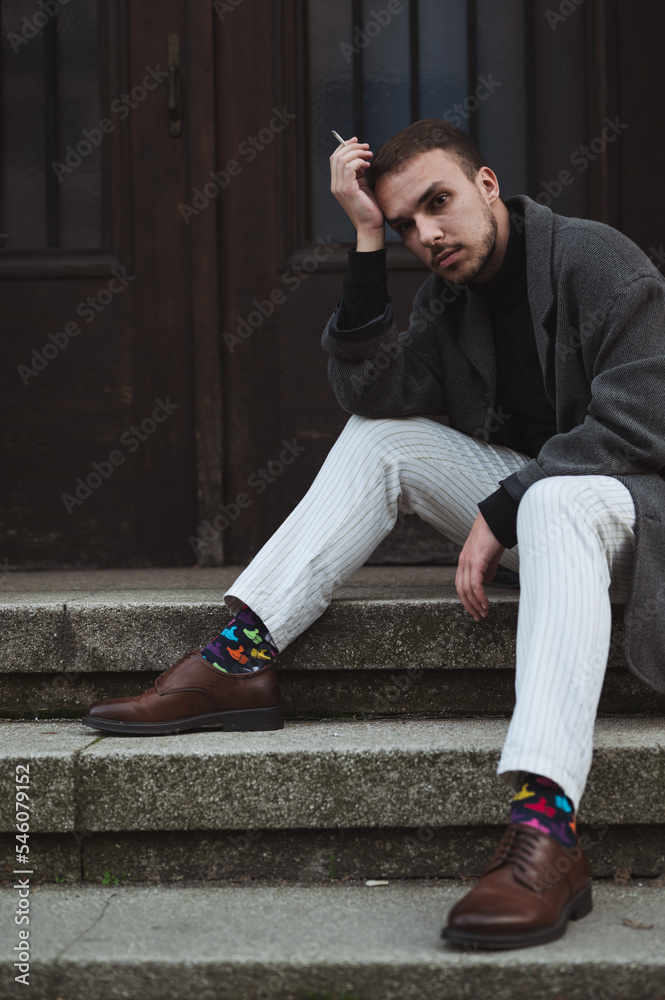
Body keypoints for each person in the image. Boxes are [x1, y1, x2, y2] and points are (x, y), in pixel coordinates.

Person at [83, 118, 665, 951]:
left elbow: (647, 417)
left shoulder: (592, 258)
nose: (426, 234)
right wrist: (362, 245)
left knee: (549, 501)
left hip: (631, 523)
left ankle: (545, 830)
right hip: (545, 524)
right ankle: (241, 658)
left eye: (439, 204)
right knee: (381, 442)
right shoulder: (449, 298)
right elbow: (370, 394)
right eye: (404, 224)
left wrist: (505, 504)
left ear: (488, 186)